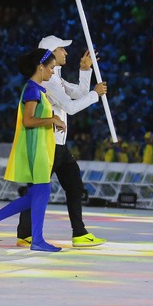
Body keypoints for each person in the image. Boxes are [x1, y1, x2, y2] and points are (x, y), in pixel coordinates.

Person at [16, 35, 108, 248]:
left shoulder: (54, 76)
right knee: (41, 189)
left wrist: (86, 71)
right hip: (48, 143)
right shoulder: (49, 81)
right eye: (61, 49)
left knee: (72, 186)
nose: (66, 52)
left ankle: (77, 232)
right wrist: (96, 94)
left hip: (58, 143)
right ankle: (27, 233)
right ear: (50, 53)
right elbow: (72, 107)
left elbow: (78, 93)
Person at [0, 48, 65, 253]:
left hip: (41, 148)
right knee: (42, 192)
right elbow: (28, 121)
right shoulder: (32, 90)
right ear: (40, 67)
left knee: (37, 194)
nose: (53, 72)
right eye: (51, 68)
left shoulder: (36, 90)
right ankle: (36, 239)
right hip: (36, 150)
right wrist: (52, 119)